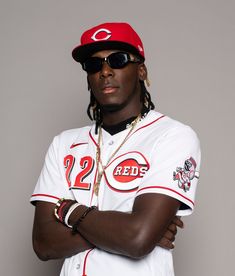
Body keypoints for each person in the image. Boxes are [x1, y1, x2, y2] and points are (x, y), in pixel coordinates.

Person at [31, 22, 201, 276]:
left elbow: (137, 238)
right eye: (94, 64)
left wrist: (68, 210)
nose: (105, 71)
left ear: (141, 71)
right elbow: (43, 243)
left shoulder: (172, 136)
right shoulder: (63, 143)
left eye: (118, 60)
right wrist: (125, 228)